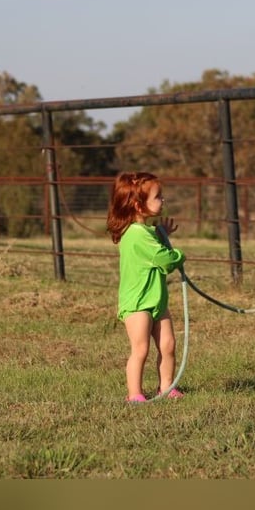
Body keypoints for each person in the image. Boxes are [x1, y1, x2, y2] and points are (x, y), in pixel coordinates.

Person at [106, 171, 186, 403]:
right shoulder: (136, 235)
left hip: (156, 300)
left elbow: (156, 251)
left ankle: (166, 387)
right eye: (158, 197)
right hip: (138, 304)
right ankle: (135, 395)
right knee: (140, 350)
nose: (163, 200)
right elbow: (166, 260)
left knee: (168, 345)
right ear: (139, 206)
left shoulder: (145, 232)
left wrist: (164, 235)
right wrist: (179, 255)